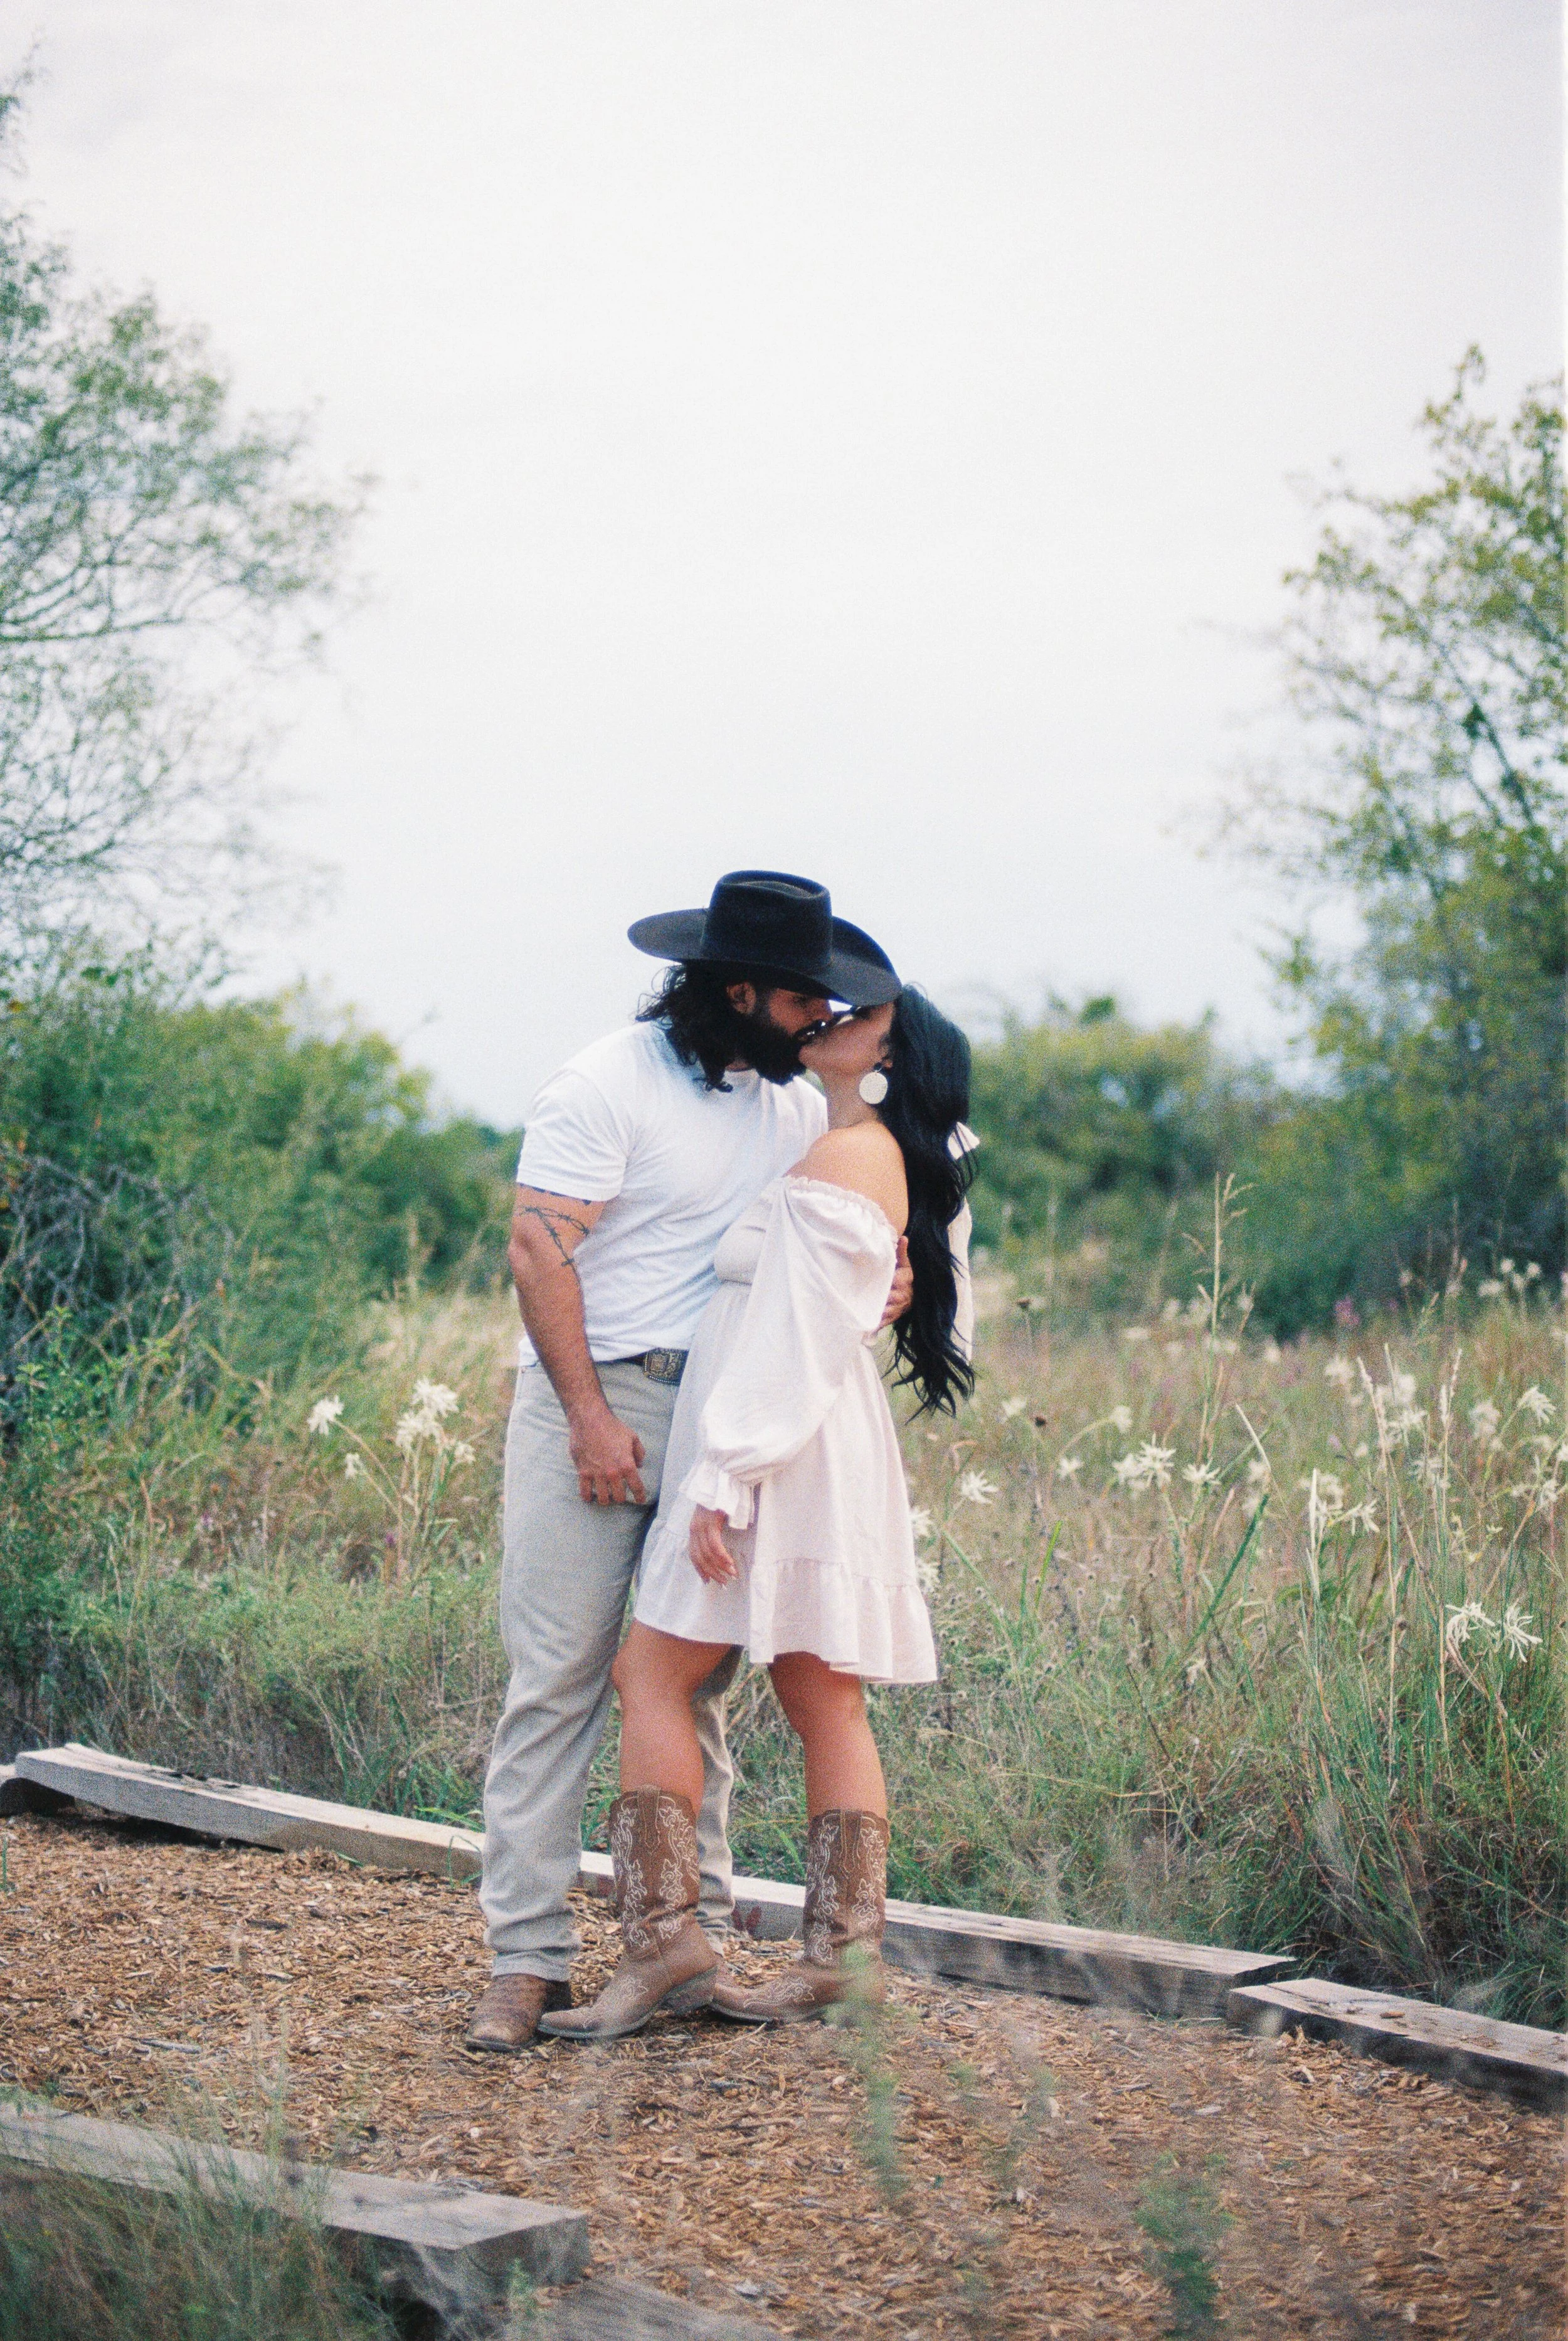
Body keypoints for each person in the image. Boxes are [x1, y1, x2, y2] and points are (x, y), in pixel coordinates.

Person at [464, 870, 910, 2052]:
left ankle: (684, 1941)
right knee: (560, 1674)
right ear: (739, 989)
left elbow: (822, 1248)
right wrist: (587, 1418)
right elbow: (536, 1247)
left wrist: (890, 1283)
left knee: (685, 1679)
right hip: (598, 1393)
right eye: (799, 1003)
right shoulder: (606, 1084)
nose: (817, 1023)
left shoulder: (786, 1101)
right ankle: (526, 1959)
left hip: (723, 1407)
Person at [539, 982, 975, 2042]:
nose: (830, 1020)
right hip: (800, 1437)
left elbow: (797, 1336)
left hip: (782, 1443)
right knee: (819, 1691)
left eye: (860, 1018)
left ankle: (666, 1943)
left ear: (890, 1052)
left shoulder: (852, 1151)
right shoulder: (843, 1142)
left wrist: (727, 1474)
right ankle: (838, 1958)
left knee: (655, 1671)